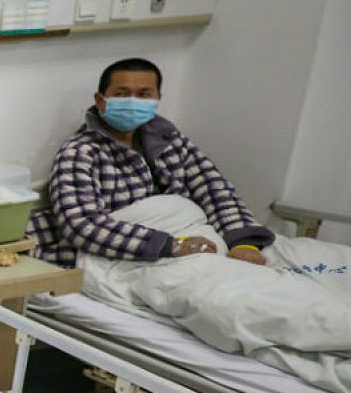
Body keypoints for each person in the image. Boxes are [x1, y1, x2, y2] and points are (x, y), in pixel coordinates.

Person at [30, 57, 275, 268]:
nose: (133, 101)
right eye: (122, 94)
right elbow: (82, 226)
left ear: (158, 98)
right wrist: (169, 245)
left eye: (144, 95)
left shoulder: (169, 140)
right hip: (135, 253)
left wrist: (244, 243)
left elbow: (214, 190)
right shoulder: (81, 152)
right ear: (101, 100)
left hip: (194, 239)